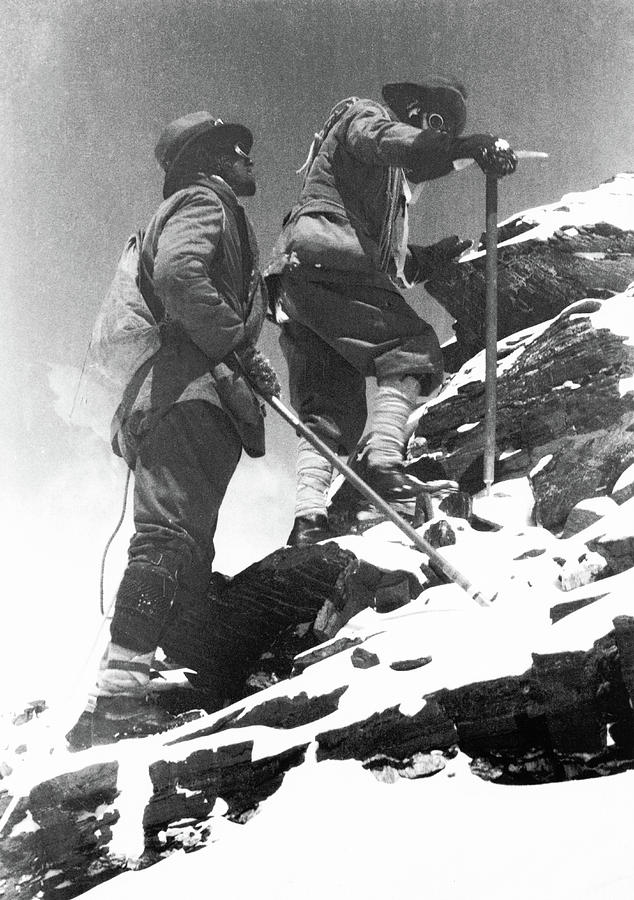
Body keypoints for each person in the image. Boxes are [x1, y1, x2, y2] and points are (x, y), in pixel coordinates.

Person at [67, 111, 279, 749]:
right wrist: (229, 347)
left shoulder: (212, 207)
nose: (249, 159)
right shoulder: (203, 200)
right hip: (185, 397)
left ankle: (193, 674)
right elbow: (180, 277)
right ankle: (114, 702)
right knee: (167, 537)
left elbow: (205, 301)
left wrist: (251, 363)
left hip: (197, 399)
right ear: (211, 159)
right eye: (239, 150)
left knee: (186, 543)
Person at [265, 76, 517, 547]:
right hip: (329, 263)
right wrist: (465, 148)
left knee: (330, 410)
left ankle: (309, 519)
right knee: (412, 347)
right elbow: (388, 142)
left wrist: (432, 258)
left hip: (302, 284)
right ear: (418, 110)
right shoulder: (364, 117)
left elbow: (392, 266)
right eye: (437, 124)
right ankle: (383, 464)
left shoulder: (387, 192)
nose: (437, 134)